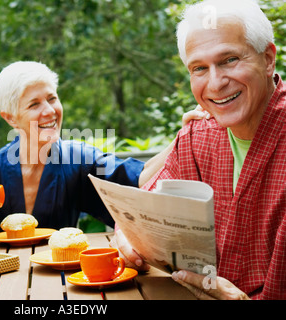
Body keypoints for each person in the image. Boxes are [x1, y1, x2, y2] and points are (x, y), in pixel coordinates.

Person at [112, 0, 285, 300]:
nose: (216, 83)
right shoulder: (196, 137)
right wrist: (127, 236)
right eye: (199, 68)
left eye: (230, 59)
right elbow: (140, 209)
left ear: (268, 58)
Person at [0, 61, 204, 239]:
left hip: (59, 282)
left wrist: (182, 136)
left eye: (52, 98)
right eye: (34, 104)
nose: (49, 111)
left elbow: (139, 177)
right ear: (11, 119)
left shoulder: (78, 159)